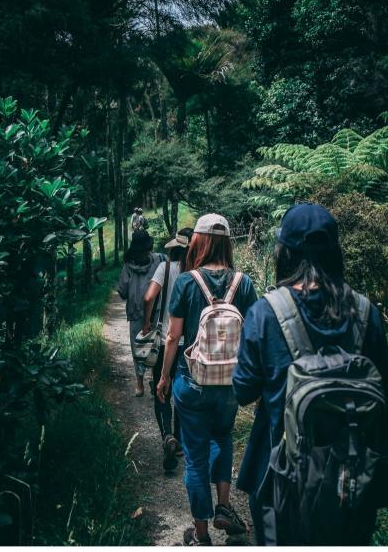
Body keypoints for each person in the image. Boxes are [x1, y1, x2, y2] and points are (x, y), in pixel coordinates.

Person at [232, 202, 388, 545]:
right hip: (352, 481)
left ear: (285, 253)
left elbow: (244, 391)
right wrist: (387, 477)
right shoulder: (365, 312)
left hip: (282, 481)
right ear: (335, 253)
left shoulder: (266, 313)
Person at [157, 213, 257, 546]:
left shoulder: (187, 281)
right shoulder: (243, 282)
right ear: (227, 243)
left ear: (197, 241)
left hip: (192, 379)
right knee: (223, 437)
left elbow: (172, 338)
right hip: (230, 381)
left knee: (196, 456)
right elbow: (253, 334)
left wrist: (164, 377)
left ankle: (201, 535)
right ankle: (224, 507)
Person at [143, 227, 194, 472]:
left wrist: (146, 323)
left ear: (174, 247)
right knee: (181, 393)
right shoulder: (196, 274)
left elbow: (148, 297)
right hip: (190, 347)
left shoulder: (165, 268)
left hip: (165, 342)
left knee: (161, 390)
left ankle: (167, 436)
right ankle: (181, 441)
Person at [117, 230, 165, 397]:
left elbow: (122, 291)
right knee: (155, 346)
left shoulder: (158, 260)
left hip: (143, 311)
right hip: (154, 311)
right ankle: (146, 380)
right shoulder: (158, 259)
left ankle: (143, 383)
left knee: (140, 347)